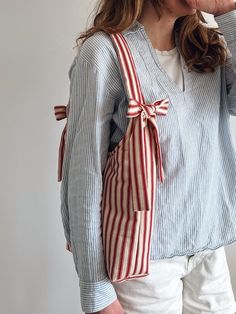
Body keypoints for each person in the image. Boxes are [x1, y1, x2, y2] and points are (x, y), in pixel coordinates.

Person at [59, 0, 236, 313]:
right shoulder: (104, 53)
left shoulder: (206, 49)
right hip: (142, 261)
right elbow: (84, 176)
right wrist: (95, 288)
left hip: (209, 250)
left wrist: (228, 11)